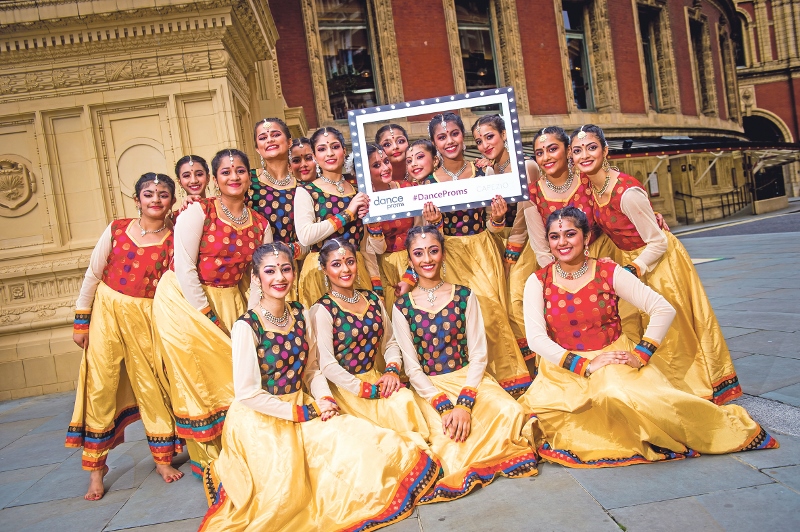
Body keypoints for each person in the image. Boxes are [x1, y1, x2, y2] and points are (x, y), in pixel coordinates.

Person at [199, 242, 438, 531]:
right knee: (284, 494)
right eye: (270, 271)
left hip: (304, 404)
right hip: (261, 421)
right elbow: (248, 394)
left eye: (286, 269)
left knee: (361, 449)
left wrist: (325, 402)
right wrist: (305, 411)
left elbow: (312, 370)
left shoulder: (299, 313)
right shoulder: (246, 326)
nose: (280, 278)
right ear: (256, 277)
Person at [518, 207, 778, 467]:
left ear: (586, 238)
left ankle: (721, 430)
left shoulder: (608, 272)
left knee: (616, 395)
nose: (562, 242)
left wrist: (642, 354)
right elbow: (537, 339)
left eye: (570, 234)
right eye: (554, 237)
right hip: (564, 368)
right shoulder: (539, 281)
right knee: (529, 419)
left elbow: (663, 308)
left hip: (611, 358)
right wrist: (583, 365)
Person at [570, 124, 740, 404]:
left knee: (671, 327)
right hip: (630, 260)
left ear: (605, 150)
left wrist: (634, 269)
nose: (585, 155)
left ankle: (688, 387)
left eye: (591, 147)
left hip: (659, 262)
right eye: (577, 150)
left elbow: (658, 242)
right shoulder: (590, 187)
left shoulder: (626, 192)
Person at [392, 226, 538, 503]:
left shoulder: (464, 295)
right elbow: (411, 368)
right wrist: (445, 407)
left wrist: (464, 403)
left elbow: (479, 354)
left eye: (433, 251)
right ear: (409, 260)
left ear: (443, 254)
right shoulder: (402, 306)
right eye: (419, 254)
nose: (427, 259)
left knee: (508, 411)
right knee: (446, 440)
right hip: (430, 388)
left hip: (470, 379)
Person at [153, 149, 272, 477]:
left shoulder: (261, 224)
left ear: (250, 176)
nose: (234, 177)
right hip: (183, 299)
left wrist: (250, 317)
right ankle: (207, 460)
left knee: (237, 375)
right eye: (225, 172)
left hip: (230, 298)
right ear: (215, 179)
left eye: (240, 171)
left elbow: (259, 277)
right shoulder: (198, 211)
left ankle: (239, 444)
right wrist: (206, 312)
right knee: (198, 376)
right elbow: (185, 266)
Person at [67, 173, 183, 501]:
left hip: (146, 318)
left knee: (152, 385)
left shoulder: (175, 239)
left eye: (163, 195)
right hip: (106, 312)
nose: (156, 200)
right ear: (137, 200)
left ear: (171, 202)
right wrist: (82, 320)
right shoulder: (117, 229)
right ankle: (95, 470)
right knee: (100, 386)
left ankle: (162, 459)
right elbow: (93, 274)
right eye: (149, 194)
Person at [420, 112, 531, 396]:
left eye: (454, 134)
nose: (449, 141)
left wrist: (496, 218)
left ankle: (514, 384)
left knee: (495, 312)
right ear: (434, 142)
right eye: (442, 137)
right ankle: (482, 387)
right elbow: (427, 235)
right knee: (468, 319)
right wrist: (434, 225)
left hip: (484, 250)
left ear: (463, 137)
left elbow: (494, 226)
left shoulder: (484, 171)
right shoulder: (428, 183)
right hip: (451, 255)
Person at [310, 238, 429, 446]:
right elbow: (326, 364)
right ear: (324, 269)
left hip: (375, 379)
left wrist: (392, 370)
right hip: (344, 389)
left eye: (350, 261)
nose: (345, 269)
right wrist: (363, 389)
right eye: (336, 264)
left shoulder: (373, 299)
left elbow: (390, 342)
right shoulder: (322, 309)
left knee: (404, 401)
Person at [294, 126, 385, 308]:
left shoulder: (359, 190)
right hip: (320, 272)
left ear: (344, 150)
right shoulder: (306, 191)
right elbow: (306, 236)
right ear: (314, 156)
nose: (329, 153)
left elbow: (375, 248)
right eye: (322, 149)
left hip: (356, 269)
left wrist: (375, 226)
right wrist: (347, 214)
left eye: (335, 147)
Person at [364, 142, 417, 309]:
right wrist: (374, 226)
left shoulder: (408, 189)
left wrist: (411, 275)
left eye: (386, 161)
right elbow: (377, 249)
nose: (385, 168)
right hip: (384, 270)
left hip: (414, 263)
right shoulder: (364, 201)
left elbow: (421, 234)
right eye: (376, 165)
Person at [248, 118, 306, 264]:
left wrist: (292, 250)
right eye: (263, 138)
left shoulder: (304, 186)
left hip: (296, 267)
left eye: (275, 135)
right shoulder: (247, 181)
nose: (269, 140)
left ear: (289, 142)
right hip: (257, 268)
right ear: (257, 148)